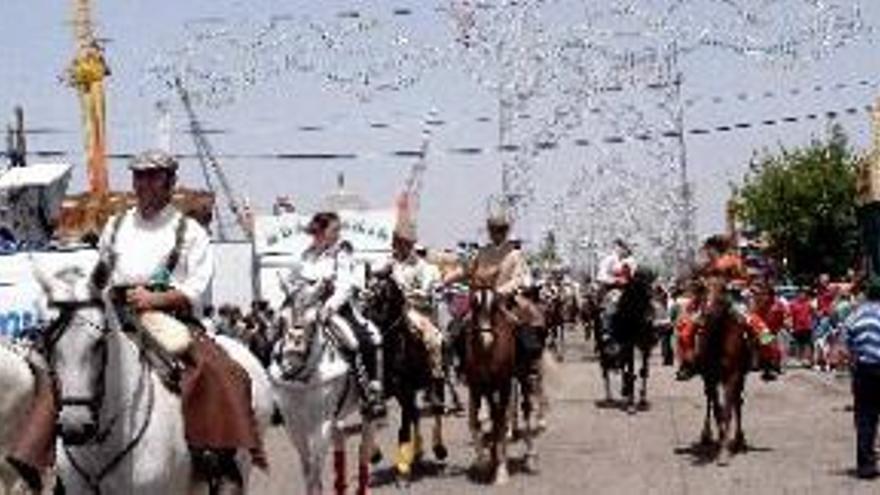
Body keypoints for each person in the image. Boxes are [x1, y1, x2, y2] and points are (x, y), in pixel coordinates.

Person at [11, 149, 264, 493]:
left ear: (169, 182)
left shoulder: (188, 231)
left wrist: (156, 298)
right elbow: (100, 273)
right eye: (138, 176)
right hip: (115, 313)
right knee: (63, 358)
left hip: (169, 316)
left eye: (152, 176)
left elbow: (195, 287)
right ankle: (37, 457)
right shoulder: (116, 225)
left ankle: (219, 461)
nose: (143, 183)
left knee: (219, 369)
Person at [294, 211, 385, 419]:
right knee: (282, 338)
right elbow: (299, 285)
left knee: (360, 340)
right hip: (308, 309)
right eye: (333, 230)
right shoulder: (306, 255)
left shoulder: (342, 252)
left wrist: (330, 306)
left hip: (338, 310)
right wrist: (310, 295)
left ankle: (369, 392)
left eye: (336, 230)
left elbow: (345, 285)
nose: (337, 233)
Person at [385, 221, 445, 405]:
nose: (400, 247)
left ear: (410, 244)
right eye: (397, 243)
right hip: (393, 312)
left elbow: (426, 291)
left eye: (403, 243)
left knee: (434, 340)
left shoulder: (426, 268)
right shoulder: (390, 265)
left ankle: (434, 384)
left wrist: (411, 294)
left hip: (418, 311)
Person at [842, 277, 880, 479]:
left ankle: (866, 466)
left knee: (865, 418)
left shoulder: (855, 315)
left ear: (867, 294)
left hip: (864, 371)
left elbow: (844, 345)